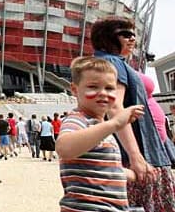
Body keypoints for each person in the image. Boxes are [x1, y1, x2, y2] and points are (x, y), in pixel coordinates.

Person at [92, 16, 175, 211]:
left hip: (142, 152)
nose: (132, 39)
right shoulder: (112, 61)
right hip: (141, 154)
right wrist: (136, 156)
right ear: (107, 38)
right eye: (125, 34)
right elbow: (115, 108)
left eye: (133, 34)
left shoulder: (110, 62)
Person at [57, 56, 144, 211]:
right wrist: (115, 123)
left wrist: (134, 174)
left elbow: (103, 168)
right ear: (75, 90)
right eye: (93, 87)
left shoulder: (100, 127)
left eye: (110, 88)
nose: (103, 93)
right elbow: (64, 148)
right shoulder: (78, 120)